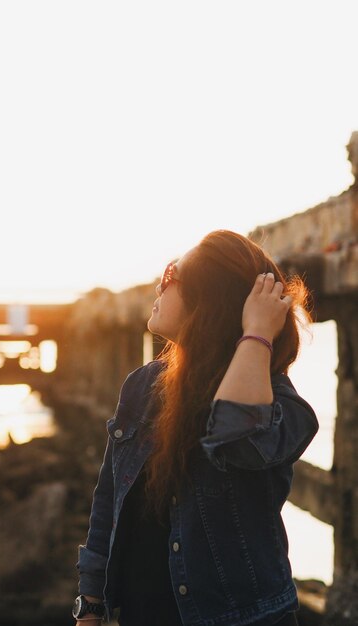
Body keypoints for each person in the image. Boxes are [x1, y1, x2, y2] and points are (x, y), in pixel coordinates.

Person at [73, 230, 319, 626]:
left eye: (171, 275)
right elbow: (108, 503)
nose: (159, 283)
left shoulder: (280, 403)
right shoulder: (141, 387)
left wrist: (256, 333)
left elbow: (238, 441)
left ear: (208, 300)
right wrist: (90, 603)